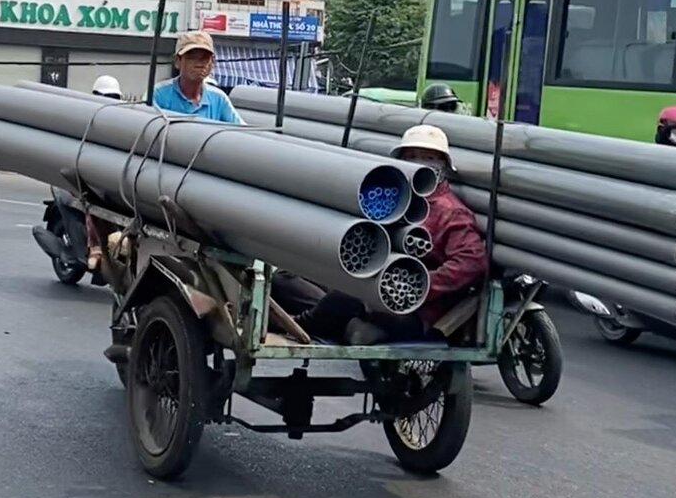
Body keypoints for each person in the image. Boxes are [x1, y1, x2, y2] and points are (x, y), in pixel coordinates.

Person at [283, 125, 488, 344]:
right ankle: (332, 315)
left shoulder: (450, 211)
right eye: (411, 157)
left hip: (411, 309)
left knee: (349, 296)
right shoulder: (396, 199)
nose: (419, 163)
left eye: (428, 157)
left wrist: (416, 285)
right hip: (372, 285)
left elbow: (472, 262)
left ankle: (304, 323)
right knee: (286, 276)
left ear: (444, 166)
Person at [151, 31, 241, 123]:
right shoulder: (158, 94)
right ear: (178, 61)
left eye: (205, 57)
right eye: (192, 57)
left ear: (212, 63)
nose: (199, 64)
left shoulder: (219, 99)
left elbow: (242, 132)